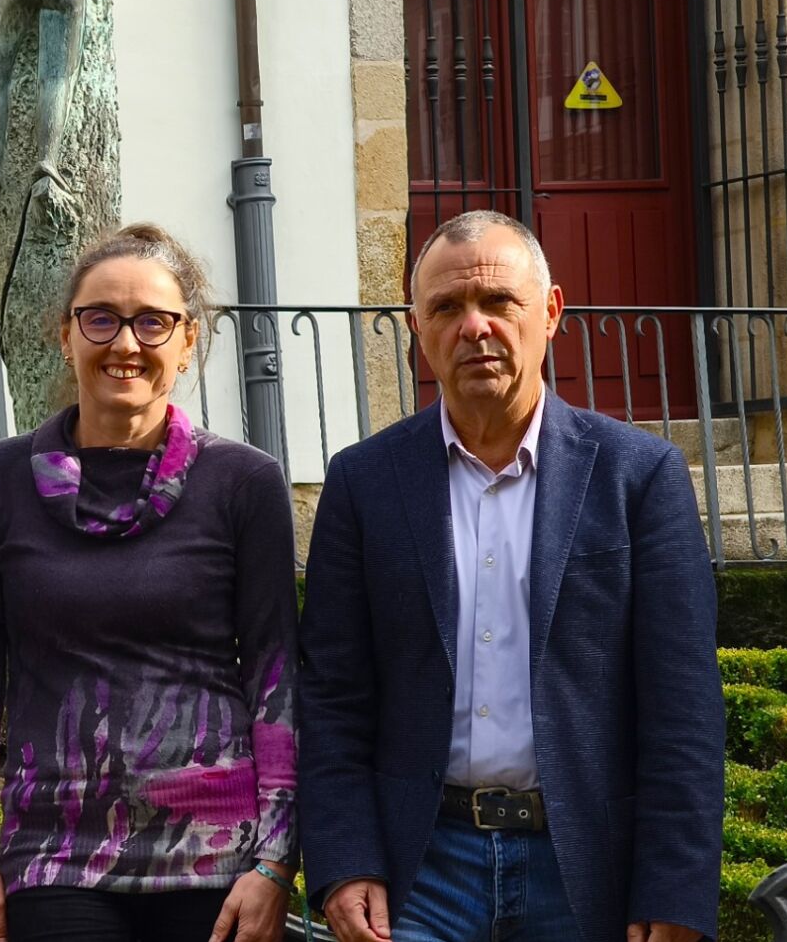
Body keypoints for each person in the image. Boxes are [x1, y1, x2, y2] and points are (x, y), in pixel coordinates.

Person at [298, 209, 724, 942]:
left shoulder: (638, 476)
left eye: (498, 301)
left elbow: (682, 703)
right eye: (447, 308)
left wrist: (675, 888)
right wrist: (344, 860)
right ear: (417, 328)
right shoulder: (363, 482)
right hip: (420, 876)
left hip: (585, 869)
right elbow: (332, 694)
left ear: (550, 312)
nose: (475, 326)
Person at [0, 223, 301, 942]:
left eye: (153, 322)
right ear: (65, 334)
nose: (126, 343)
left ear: (188, 340)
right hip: (54, 852)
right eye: (100, 318)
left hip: (215, 856)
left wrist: (274, 861)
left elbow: (276, 676)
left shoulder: (245, 482)